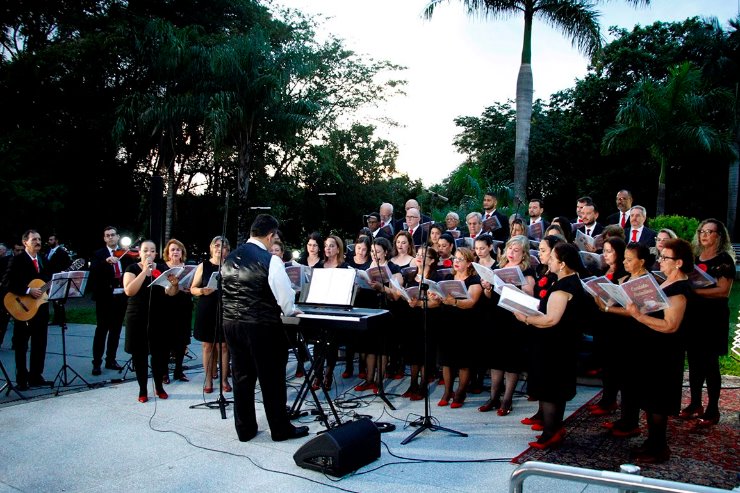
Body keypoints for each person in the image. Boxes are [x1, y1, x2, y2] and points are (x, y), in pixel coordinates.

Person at [221, 214, 308, 442]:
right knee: (272, 380)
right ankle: (280, 429)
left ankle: (245, 429)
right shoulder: (271, 261)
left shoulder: (229, 258)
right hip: (261, 326)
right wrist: (291, 312)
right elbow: (285, 296)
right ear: (270, 235)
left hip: (231, 323)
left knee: (241, 377)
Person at [622, 238, 693, 463]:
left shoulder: (679, 289)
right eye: (660, 256)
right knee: (650, 399)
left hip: (665, 353)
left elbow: (671, 325)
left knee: (658, 402)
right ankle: (652, 441)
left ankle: (659, 448)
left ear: (679, 262)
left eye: (665, 258)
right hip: (652, 350)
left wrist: (638, 316)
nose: (660, 261)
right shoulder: (664, 281)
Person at [513, 243, 587, 449]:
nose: (550, 261)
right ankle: (554, 427)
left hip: (554, 346)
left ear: (562, 264)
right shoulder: (568, 280)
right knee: (557, 387)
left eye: (553, 258)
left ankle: (550, 432)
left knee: (550, 388)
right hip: (561, 343)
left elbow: (550, 320)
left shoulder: (564, 287)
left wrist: (525, 318)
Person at [596, 242, 656, 438]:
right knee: (624, 379)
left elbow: (634, 312)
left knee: (634, 380)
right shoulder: (625, 278)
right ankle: (625, 418)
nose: (625, 262)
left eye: (630, 260)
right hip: (622, 335)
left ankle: (631, 422)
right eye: (625, 259)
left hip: (640, 337)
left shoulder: (647, 282)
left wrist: (606, 308)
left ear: (642, 261)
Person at [683, 219, 734, 428]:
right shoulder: (694, 257)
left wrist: (694, 291)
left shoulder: (724, 260)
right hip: (694, 317)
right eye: (702, 231)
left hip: (713, 318)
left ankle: (713, 409)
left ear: (719, 236)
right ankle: (695, 403)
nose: (704, 235)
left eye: (709, 232)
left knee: (710, 364)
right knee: (694, 362)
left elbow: (723, 291)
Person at [479, 235, 535, 416]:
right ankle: (494, 396)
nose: (511, 253)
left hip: (514, 319)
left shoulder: (527, 271)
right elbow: (490, 297)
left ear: (524, 253)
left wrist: (514, 287)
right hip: (497, 318)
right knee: (496, 360)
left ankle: (507, 399)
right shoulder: (498, 267)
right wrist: (487, 288)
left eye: (516, 250)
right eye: (510, 249)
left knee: (511, 361)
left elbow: (529, 295)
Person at [123, 240, 178, 402]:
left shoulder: (161, 269)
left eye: (152, 251)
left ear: (156, 254)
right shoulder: (131, 269)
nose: (149, 253)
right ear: (140, 252)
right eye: (145, 250)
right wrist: (144, 272)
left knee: (159, 354)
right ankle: (142, 390)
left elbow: (170, 292)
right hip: (137, 317)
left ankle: (159, 387)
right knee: (139, 355)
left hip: (158, 316)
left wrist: (174, 285)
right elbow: (129, 290)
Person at [3, 230, 51, 390]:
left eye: (39, 238)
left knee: (40, 343)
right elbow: (7, 282)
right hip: (22, 308)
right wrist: (27, 291)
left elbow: (45, 283)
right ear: (25, 242)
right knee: (21, 345)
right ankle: (22, 380)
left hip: (40, 309)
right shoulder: (17, 260)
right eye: (34, 239)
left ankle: (36, 376)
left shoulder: (44, 259)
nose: (38, 241)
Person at [435, 247, 483, 408]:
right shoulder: (449, 277)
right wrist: (437, 296)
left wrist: (454, 302)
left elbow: (471, 302)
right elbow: (442, 297)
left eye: (460, 259)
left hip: (465, 324)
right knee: (446, 361)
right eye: (455, 258)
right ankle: (447, 391)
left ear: (469, 263)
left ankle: (460, 392)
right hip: (446, 322)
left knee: (463, 361)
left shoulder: (474, 280)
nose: (456, 262)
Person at [588, 237, 627, 416]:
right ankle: (606, 398)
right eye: (604, 251)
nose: (605, 255)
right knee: (605, 363)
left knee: (614, 365)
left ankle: (611, 400)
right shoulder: (604, 270)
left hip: (616, 323)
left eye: (609, 251)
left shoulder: (623, 272)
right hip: (602, 321)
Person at [399, 246, 442, 400]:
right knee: (412, 351)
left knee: (425, 352)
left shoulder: (435, 277)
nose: (418, 257)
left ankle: (423, 385)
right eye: (417, 254)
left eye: (423, 255)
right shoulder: (411, 275)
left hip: (428, 317)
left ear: (431, 261)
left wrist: (418, 303)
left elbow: (436, 303)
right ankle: (413, 383)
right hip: (412, 317)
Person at [90, 226, 132, 375]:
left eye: (113, 235)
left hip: (121, 296)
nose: (110, 238)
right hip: (105, 297)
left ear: (118, 237)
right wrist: (105, 261)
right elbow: (94, 272)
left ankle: (111, 359)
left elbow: (131, 269)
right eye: (107, 235)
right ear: (104, 238)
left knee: (116, 329)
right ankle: (96, 362)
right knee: (101, 330)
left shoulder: (125, 254)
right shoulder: (98, 254)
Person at [191, 236, 231, 394]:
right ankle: (208, 380)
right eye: (217, 245)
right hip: (207, 307)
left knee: (224, 345)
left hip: (225, 308)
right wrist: (202, 290)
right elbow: (193, 288)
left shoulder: (230, 265)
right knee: (207, 345)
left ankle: (224, 380)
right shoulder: (204, 265)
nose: (220, 249)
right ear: (211, 248)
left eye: (224, 246)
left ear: (228, 250)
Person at [161, 239, 193, 384]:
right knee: (166, 340)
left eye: (178, 250)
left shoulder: (187, 268)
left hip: (184, 306)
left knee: (182, 340)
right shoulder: (162, 267)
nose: (175, 252)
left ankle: (178, 371)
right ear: (168, 252)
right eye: (173, 249)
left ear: (182, 253)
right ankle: (164, 372)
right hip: (167, 307)